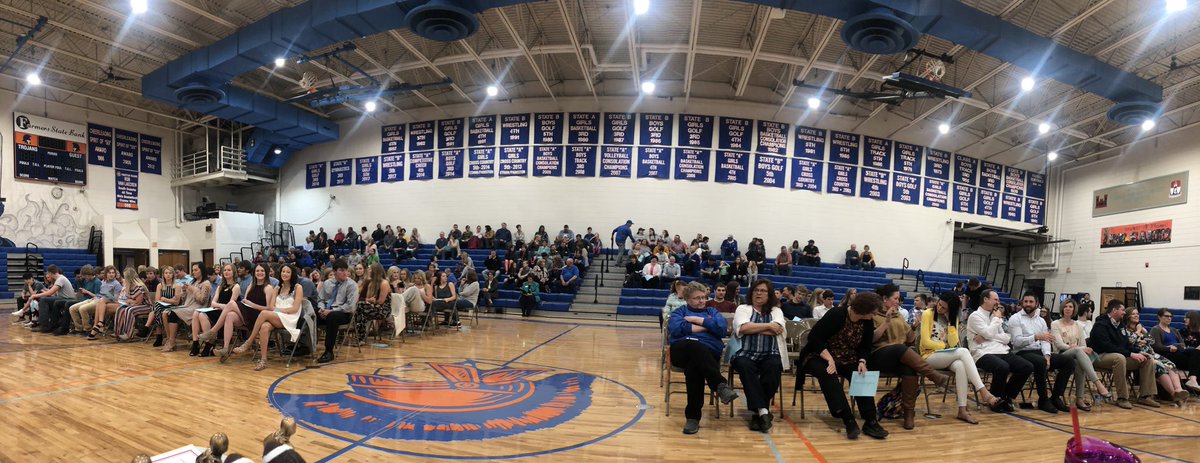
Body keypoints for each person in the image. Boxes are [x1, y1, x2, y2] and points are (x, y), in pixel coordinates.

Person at [798, 292, 889, 440]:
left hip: (846, 357)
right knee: (828, 373)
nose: (874, 316)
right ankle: (848, 419)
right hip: (819, 355)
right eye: (872, 313)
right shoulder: (837, 314)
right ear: (863, 310)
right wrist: (829, 359)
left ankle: (870, 420)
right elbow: (814, 338)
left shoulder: (867, 321)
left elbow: (865, 346)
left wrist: (862, 361)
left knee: (861, 375)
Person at [870, 283, 949, 430]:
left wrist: (914, 327)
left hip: (897, 355)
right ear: (884, 299)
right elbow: (871, 339)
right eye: (895, 298)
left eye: (899, 299)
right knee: (900, 348)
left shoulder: (898, 315)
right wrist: (886, 322)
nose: (898, 301)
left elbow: (909, 339)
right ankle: (933, 375)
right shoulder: (873, 314)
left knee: (910, 369)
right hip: (877, 355)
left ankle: (908, 413)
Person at [668, 281, 738, 434]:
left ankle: (693, 418)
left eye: (703, 297)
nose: (701, 301)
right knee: (694, 346)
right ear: (687, 299)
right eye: (697, 298)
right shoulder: (679, 312)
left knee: (694, 367)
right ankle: (720, 385)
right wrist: (708, 326)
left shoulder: (712, 311)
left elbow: (722, 329)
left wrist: (696, 320)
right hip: (682, 351)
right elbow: (676, 329)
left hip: (708, 353)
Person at [919, 292, 999, 424]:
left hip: (946, 355)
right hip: (929, 355)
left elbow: (953, 342)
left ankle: (962, 410)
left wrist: (950, 322)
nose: (939, 308)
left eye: (944, 307)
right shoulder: (928, 313)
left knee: (961, 366)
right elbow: (925, 342)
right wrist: (943, 345)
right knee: (963, 351)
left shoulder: (953, 318)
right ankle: (983, 391)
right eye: (939, 304)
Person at [732, 279, 787, 432]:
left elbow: (778, 329)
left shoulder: (776, 311)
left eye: (763, 291)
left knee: (774, 366)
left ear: (769, 295)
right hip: (745, 352)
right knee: (744, 365)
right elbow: (742, 328)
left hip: (770, 352)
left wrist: (753, 328)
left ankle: (758, 414)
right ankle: (763, 411)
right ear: (751, 292)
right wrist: (768, 326)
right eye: (756, 290)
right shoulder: (743, 308)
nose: (759, 293)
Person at [965, 289, 1033, 413]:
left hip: (1001, 350)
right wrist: (995, 321)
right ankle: (996, 400)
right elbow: (989, 333)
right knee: (1002, 367)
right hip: (982, 353)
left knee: (1026, 367)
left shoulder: (994, 316)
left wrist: (987, 336)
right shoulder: (975, 316)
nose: (998, 302)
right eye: (995, 299)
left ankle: (1006, 397)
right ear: (985, 299)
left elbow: (1007, 338)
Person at [1008, 293, 1075, 414]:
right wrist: (1035, 337)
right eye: (1026, 301)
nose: (1028, 304)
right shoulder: (1015, 318)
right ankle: (1043, 399)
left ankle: (1056, 397)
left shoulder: (1041, 321)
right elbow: (1017, 342)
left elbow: (1046, 341)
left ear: (1037, 304)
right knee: (1040, 362)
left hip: (1039, 352)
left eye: (1031, 302)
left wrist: (1047, 356)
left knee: (1068, 361)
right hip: (1022, 352)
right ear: (1022, 303)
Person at [230, 264, 304, 370]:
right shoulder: (277, 288)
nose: (285, 274)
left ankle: (249, 341)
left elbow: (295, 309)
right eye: (283, 271)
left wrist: (278, 311)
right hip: (276, 316)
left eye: (288, 272)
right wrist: (277, 311)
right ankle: (263, 360)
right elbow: (271, 306)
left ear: (292, 274)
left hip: (290, 318)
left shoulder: (298, 287)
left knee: (264, 313)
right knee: (264, 326)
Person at [1089, 299, 1160, 409]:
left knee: (1147, 359)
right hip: (1099, 356)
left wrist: (1139, 352)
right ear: (1114, 310)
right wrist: (1130, 354)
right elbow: (1107, 346)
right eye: (1122, 310)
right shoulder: (1100, 325)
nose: (1124, 312)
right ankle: (1122, 398)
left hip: (1117, 355)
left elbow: (1126, 344)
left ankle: (1145, 396)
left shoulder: (1120, 325)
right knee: (1120, 358)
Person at [1050, 298, 1112, 411]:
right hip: (1060, 355)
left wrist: (1079, 348)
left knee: (1080, 363)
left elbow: (1083, 344)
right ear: (1062, 308)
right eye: (1065, 306)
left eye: (1070, 307)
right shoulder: (1055, 323)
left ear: (1074, 309)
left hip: (1076, 355)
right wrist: (1074, 348)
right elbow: (1059, 345)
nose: (1068, 309)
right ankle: (1098, 384)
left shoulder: (1077, 325)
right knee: (1079, 352)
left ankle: (1080, 399)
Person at [1122, 307, 1188, 406]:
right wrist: (1139, 332)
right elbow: (1130, 342)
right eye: (1133, 314)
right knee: (1160, 367)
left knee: (1171, 364)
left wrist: (1144, 338)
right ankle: (1173, 394)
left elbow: (1152, 341)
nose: (1136, 316)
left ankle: (1179, 390)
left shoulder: (1142, 328)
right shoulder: (1124, 329)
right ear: (1127, 316)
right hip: (1139, 354)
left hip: (1151, 352)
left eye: (1137, 314)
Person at [162, 263, 212, 353]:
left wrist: (194, 290)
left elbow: (202, 300)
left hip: (198, 308)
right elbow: (185, 299)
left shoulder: (206, 284)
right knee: (165, 312)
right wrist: (184, 291)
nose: (193, 272)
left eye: (196, 270)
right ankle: (170, 339)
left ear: (202, 270)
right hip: (187, 306)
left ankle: (172, 341)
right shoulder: (193, 282)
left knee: (172, 313)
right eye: (192, 270)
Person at [316, 259, 359, 363]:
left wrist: (331, 311)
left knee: (333, 317)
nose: (345, 273)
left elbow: (350, 306)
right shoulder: (327, 283)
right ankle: (304, 345)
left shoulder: (352, 285)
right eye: (341, 270)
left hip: (344, 314)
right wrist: (321, 309)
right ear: (334, 272)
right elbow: (320, 299)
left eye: (346, 270)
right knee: (310, 313)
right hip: (326, 311)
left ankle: (329, 351)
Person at [1151, 308, 1200, 392]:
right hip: (1167, 355)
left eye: (1171, 316)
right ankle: (1192, 381)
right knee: (1196, 354)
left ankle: (1193, 384)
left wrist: (1175, 346)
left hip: (1179, 353)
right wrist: (1169, 348)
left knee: (1197, 356)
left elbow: (1182, 344)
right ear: (1159, 317)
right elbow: (1157, 347)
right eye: (1166, 316)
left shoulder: (1174, 330)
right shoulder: (1156, 329)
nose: (1169, 318)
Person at [26, 265, 76, 333]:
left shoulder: (60, 279)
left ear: (50, 273)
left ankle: (44, 325)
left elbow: (49, 293)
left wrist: (35, 295)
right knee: (47, 300)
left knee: (44, 300)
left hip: (68, 299)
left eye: (48, 273)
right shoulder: (60, 278)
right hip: (63, 298)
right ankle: (52, 324)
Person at [354, 262, 393, 342]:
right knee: (359, 308)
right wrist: (368, 300)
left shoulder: (384, 283)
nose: (368, 270)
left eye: (370, 269)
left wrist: (371, 301)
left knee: (360, 308)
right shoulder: (368, 282)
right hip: (368, 306)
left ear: (375, 271)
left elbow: (381, 301)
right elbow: (361, 298)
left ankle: (360, 337)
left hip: (382, 309)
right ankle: (360, 337)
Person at [111, 268, 151, 341]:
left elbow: (138, 302)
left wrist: (130, 301)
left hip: (146, 306)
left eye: (125, 276)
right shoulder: (128, 286)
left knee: (129, 310)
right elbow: (128, 299)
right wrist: (130, 301)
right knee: (120, 309)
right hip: (134, 305)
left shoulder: (139, 286)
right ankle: (118, 331)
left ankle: (128, 334)